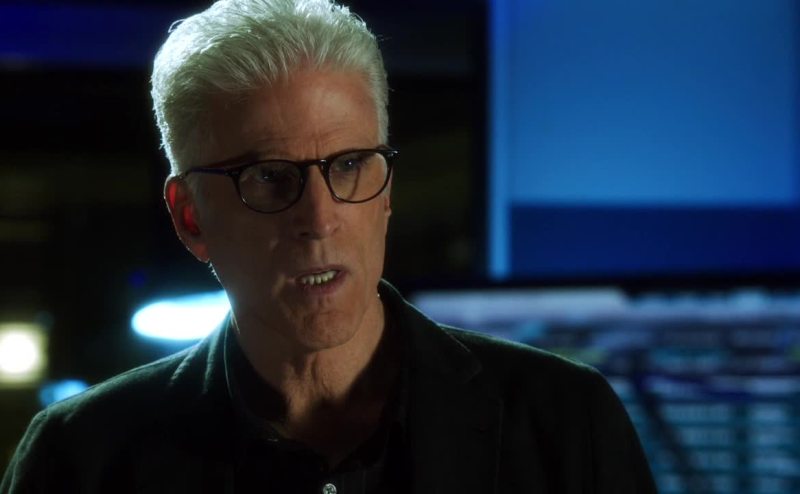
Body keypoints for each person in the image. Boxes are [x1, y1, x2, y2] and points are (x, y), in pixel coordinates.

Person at [1, 0, 657, 492]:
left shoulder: (564, 424)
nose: (318, 218)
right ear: (191, 217)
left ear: (387, 190)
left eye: (348, 165)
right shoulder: (81, 460)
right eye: (268, 177)